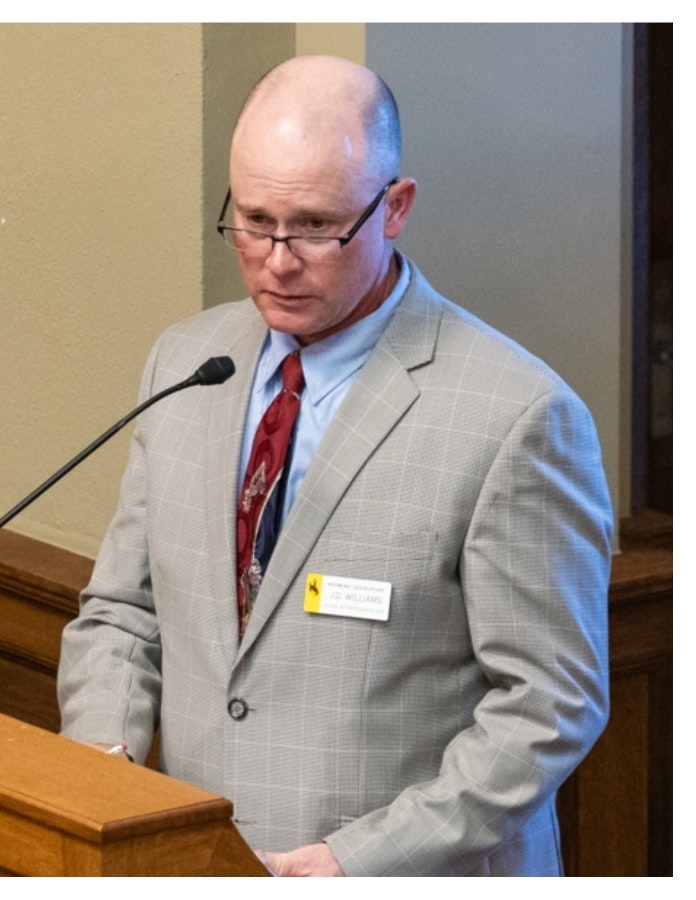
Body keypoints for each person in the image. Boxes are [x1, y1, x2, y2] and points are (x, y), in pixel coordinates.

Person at [57, 55, 612, 876]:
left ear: (394, 209)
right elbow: (122, 613)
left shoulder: (519, 416)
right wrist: (104, 769)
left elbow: (548, 707)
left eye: (315, 226)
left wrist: (357, 860)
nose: (277, 260)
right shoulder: (187, 360)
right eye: (252, 220)